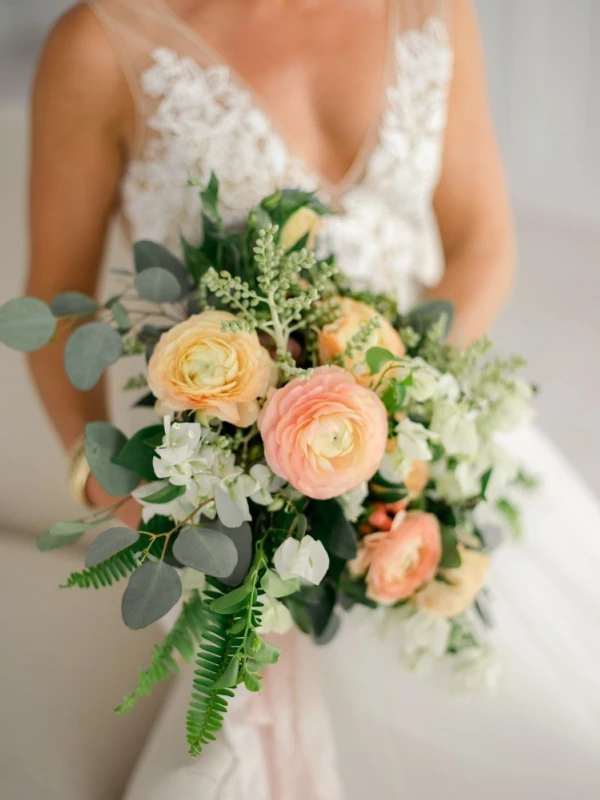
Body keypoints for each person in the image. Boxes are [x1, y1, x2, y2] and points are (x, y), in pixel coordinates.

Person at [26, 1, 600, 797]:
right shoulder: (101, 43)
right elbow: (57, 300)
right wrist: (103, 482)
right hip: (245, 514)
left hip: (430, 461)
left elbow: (481, 243)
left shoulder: (430, 9)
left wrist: (398, 412)